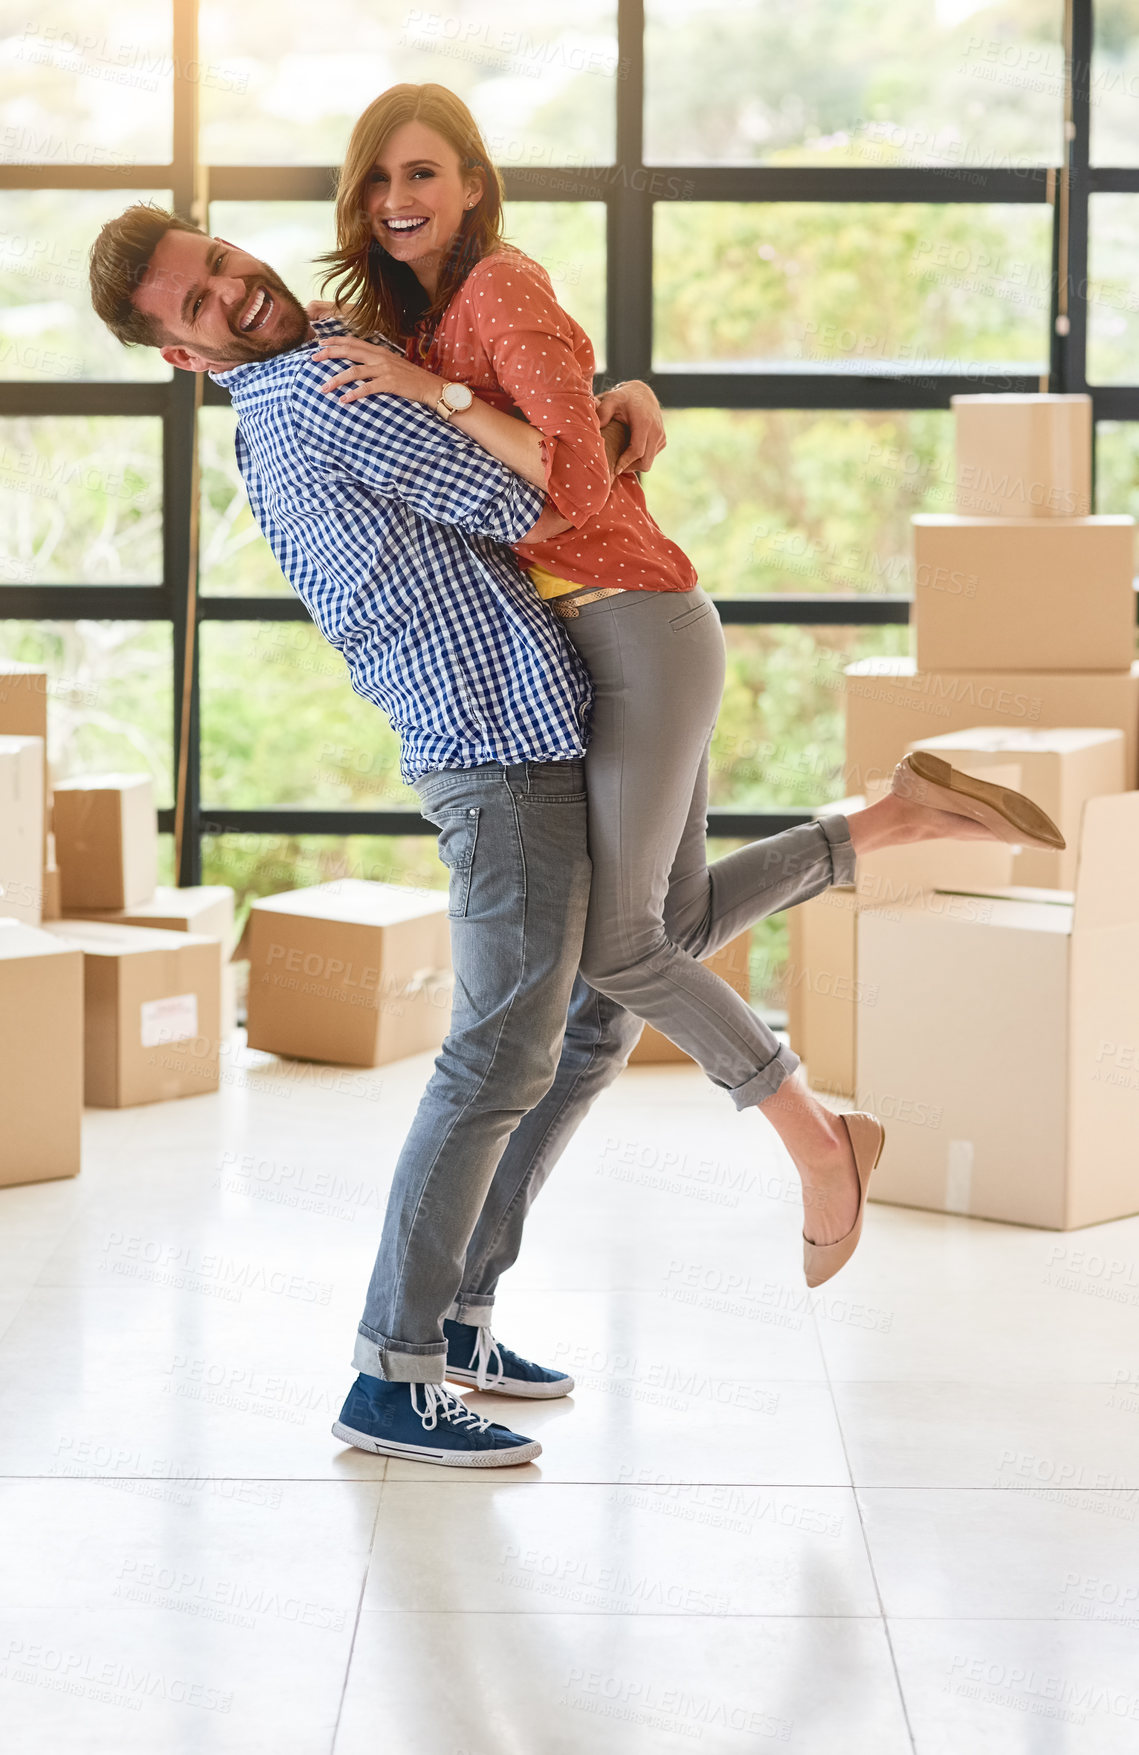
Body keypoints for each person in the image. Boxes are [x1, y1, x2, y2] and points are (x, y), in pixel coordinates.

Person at [88, 204, 1064, 1469]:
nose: (230, 291)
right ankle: (390, 1375)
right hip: (495, 746)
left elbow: (523, 427)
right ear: (179, 353)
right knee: (499, 1057)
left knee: (610, 993)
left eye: (217, 262)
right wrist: (555, 412)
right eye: (196, 303)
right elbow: (528, 484)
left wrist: (586, 396)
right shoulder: (322, 390)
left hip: (543, 715)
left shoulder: (320, 353)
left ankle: (460, 1317)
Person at [310, 83, 1067, 1280]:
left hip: (636, 624)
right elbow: (540, 401)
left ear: (470, 185)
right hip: (593, 639)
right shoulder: (408, 315)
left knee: (616, 951)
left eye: (423, 174)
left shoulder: (494, 288)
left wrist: (440, 396)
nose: (398, 199)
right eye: (379, 178)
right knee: (658, 927)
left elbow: (567, 481)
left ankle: (820, 1144)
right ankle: (887, 819)